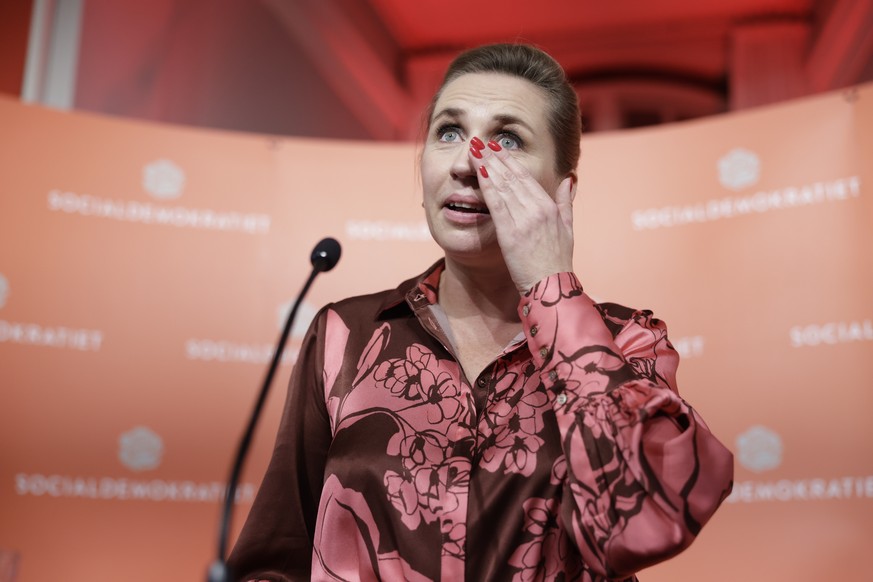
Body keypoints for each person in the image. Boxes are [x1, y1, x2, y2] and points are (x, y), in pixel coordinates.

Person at [227, 43, 734, 581]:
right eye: (448, 131)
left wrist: (550, 286)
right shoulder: (347, 335)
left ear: (564, 191)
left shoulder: (628, 340)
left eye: (508, 140)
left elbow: (644, 521)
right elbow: (276, 556)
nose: (469, 161)